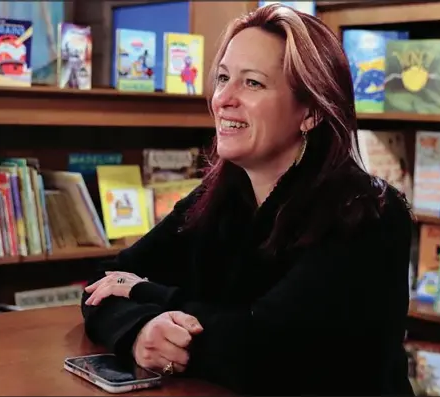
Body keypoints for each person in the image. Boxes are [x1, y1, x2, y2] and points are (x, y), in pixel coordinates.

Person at [81, 3, 414, 395]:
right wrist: (139, 331)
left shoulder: (367, 213)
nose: (223, 98)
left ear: (310, 111)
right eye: (223, 78)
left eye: (252, 83)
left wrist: (145, 293)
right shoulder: (217, 199)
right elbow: (102, 285)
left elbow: (267, 352)